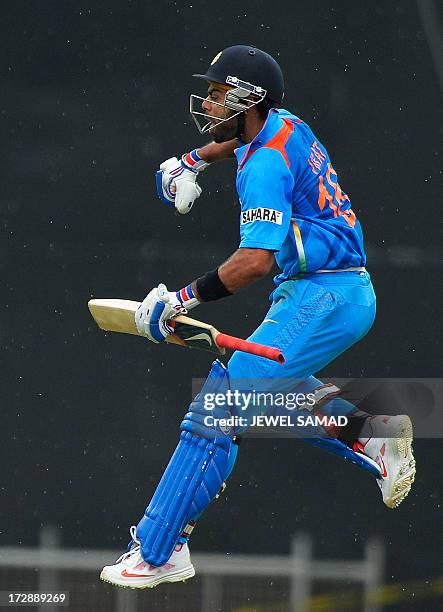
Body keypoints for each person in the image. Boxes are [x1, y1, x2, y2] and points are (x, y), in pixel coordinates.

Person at [100, 45, 416, 589]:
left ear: (250, 99)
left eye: (222, 92)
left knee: (223, 403)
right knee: (264, 395)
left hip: (325, 295)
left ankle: (158, 551)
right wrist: (194, 160)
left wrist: (180, 300)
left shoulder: (266, 164)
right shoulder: (280, 125)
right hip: (329, 290)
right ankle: (370, 434)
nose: (211, 101)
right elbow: (235, 142)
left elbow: (253, 263)